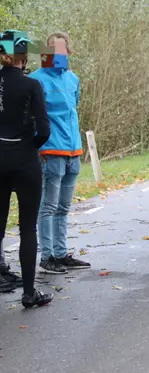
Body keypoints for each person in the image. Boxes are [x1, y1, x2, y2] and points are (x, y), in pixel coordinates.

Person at [28, 32, 91, 274]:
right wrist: (39, 146)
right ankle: (47, 256)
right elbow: (33, 119)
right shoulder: (36, 80)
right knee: (48, 206)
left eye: (63, 51)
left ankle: (61, 253)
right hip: (50, 150)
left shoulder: (73, 79)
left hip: (73, 150)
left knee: (64, 207)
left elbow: (72, 110)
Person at [0, 30, 54, 306]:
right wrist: (29, 146)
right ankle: (29, 293)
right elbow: (44, 130)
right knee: (27, 228)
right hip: (24, 160)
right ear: (23, 56)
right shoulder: (32, 85)